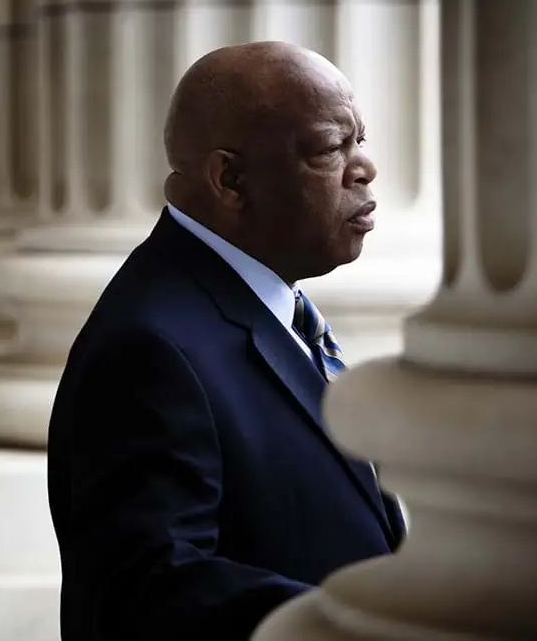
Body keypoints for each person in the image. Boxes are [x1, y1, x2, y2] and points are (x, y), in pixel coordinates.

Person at [46, 41, 406, 641]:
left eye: (359, 139)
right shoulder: (149, 349)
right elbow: (144, 589)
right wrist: (363, 622)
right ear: (230, 179)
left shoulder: (264, 307)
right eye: (327, 147)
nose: (364, 167)